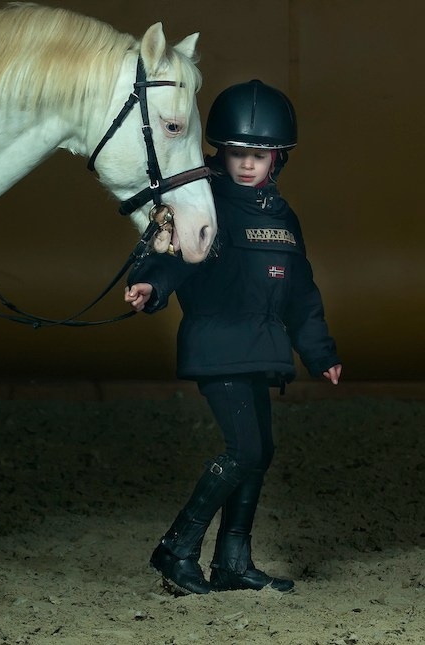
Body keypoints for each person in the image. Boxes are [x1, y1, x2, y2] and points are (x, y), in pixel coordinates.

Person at [123, 80, 342, 595]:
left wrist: (320, 352)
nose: (247, 164)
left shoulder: (283, 218)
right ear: (220, 153)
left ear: (276, 159)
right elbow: (173, 256)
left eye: (258, 155)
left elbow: (301, 294)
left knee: (259, 450)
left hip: (262, 347)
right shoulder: (206, 206)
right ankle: (176, 548)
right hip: (217, 342)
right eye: (237, 153)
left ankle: (232, 562)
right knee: (242, 449)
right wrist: (151, 284)